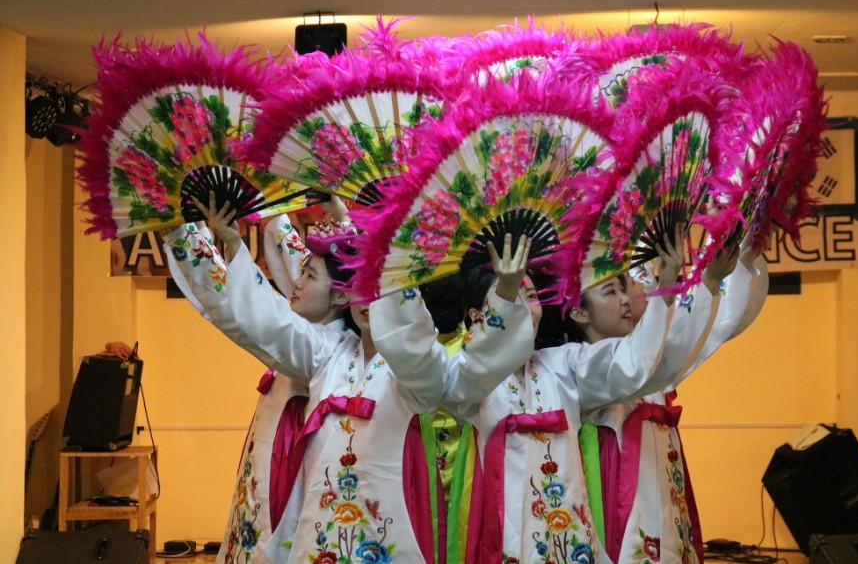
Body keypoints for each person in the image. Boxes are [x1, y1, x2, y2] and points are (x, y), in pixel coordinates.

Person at [168, 194, 535, 564]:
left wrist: (504, 293)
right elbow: (266, 322)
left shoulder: (416, 372)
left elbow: (451, 363)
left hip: (388, 542)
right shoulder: (327, 354)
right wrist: (233, 243)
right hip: (318, 543)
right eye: (360, 287)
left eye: (380, 289)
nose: (367, 300)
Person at [370, 231, 730, 564]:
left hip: (570, 541)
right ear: (480, 315)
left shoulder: (565, 366)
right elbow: (429, 356)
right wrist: (398, 260)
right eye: (512, 297)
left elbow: (636, 363)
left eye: (530, 296)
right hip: (500, 539)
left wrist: (679, 283)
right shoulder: (467, 380)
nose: (526, 309)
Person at [164, 199, 355, 564]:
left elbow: (256, 316)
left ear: (342, 295)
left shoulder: (325, 349)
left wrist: (231, 243)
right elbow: (249, 301)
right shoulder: (314, 330)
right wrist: (275, 211)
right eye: (302, 270)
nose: (296, 280)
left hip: (285, 490)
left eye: (309, 276)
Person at [572, 240, 767, 564]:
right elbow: (653, 355)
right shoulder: (584, 365)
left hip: (665, 509)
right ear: (579, 312)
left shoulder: (649, 363)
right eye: (612, 291)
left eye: (625, 288)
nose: (626, 299)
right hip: (624, 515)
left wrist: (743, 257)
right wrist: (707, 279)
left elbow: (715, 329)